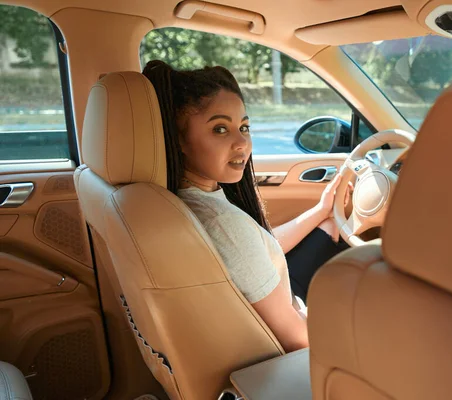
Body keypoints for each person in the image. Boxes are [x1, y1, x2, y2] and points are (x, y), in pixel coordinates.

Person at [142, 60, 350, 352]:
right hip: (287, 342)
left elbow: (257, 248)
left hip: (277, 301)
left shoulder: (193, 200)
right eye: (220, 129)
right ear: (180, 140)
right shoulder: (221, 224)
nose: (242, 143)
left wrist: (321, 210)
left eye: (244, 126)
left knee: (329, 226)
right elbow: (296, 338)